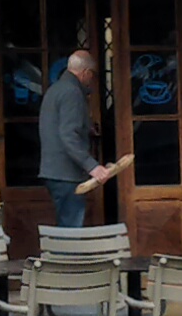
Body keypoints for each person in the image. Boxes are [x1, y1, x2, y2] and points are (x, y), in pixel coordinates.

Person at [35, 40, 121, 229]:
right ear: (86, 73)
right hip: (66, 174)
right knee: (70, 232)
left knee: (65, 226)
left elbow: (58, 126)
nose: (92, 80)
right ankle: (67, 259)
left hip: (53, 171)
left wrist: (87, 127)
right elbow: (68, 135)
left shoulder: (55, 90)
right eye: (92, 76)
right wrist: (93, 167)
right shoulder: (72, 92)